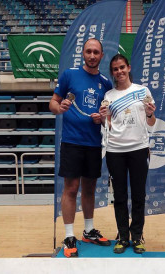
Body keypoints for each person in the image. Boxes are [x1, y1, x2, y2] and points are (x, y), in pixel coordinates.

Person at [49, 38, 112, 258]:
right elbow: (53, 103)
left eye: (96, 52)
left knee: (89, 190)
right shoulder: (69, 75)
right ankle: (68, 235)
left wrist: (102, 119)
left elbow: (109, 116)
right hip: (72, 142)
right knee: (71, 189)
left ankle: (88, 231)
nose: (92, 55)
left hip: (94, 144)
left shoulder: (106, 84)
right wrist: (61, 107)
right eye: (89, 51)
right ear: (83, 54)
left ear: (101, 55)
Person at [99, 54, 156, 254]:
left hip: (139, 149)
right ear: (112, 72)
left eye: (122, 67)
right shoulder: (109, 96)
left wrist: (150, 113)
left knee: (139, 196)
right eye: (115, 69)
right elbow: (108, 126)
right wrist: (104, 117)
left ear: (129, 67)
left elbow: (151, 122)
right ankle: (123, 237)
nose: (119, 72)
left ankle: (137, 236)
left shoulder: (143, 91)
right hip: (115, 151)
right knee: (120, 197)